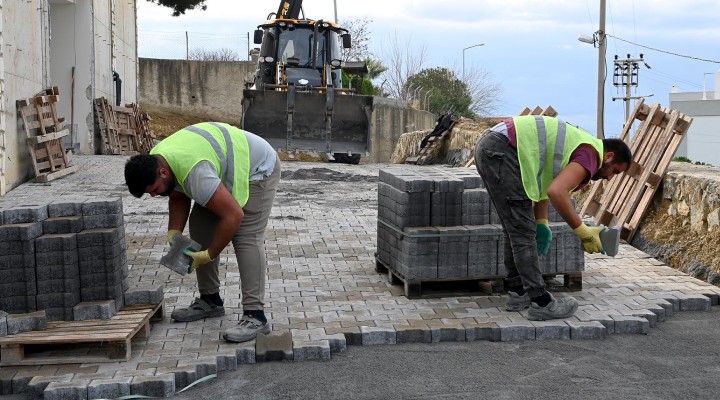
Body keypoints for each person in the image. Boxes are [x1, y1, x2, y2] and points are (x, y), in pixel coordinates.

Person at [124, 122, 280, 343]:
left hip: (258, 169)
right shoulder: (158, 160)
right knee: (200, 225)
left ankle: (255, 316)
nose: (153, 195)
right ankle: (211, 300)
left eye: (154, 190)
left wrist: (209, 254)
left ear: (163, 172)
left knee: (246, 237)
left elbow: (233, 216)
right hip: (222, 167)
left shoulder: (195, 172)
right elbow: (177, 194)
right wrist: (174, 233)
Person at [474, 115, 632, 321]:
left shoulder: (581, 147)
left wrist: (542, 222)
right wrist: (583, 231)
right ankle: (541, 302)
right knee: (521, 231)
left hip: (494, 147)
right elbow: (557, 191)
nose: (610, 178)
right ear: (609, 156)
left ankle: (518, 292)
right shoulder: (590, 155)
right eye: (615, 171)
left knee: (514, 227)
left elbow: (545, 180)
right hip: (503, 150)